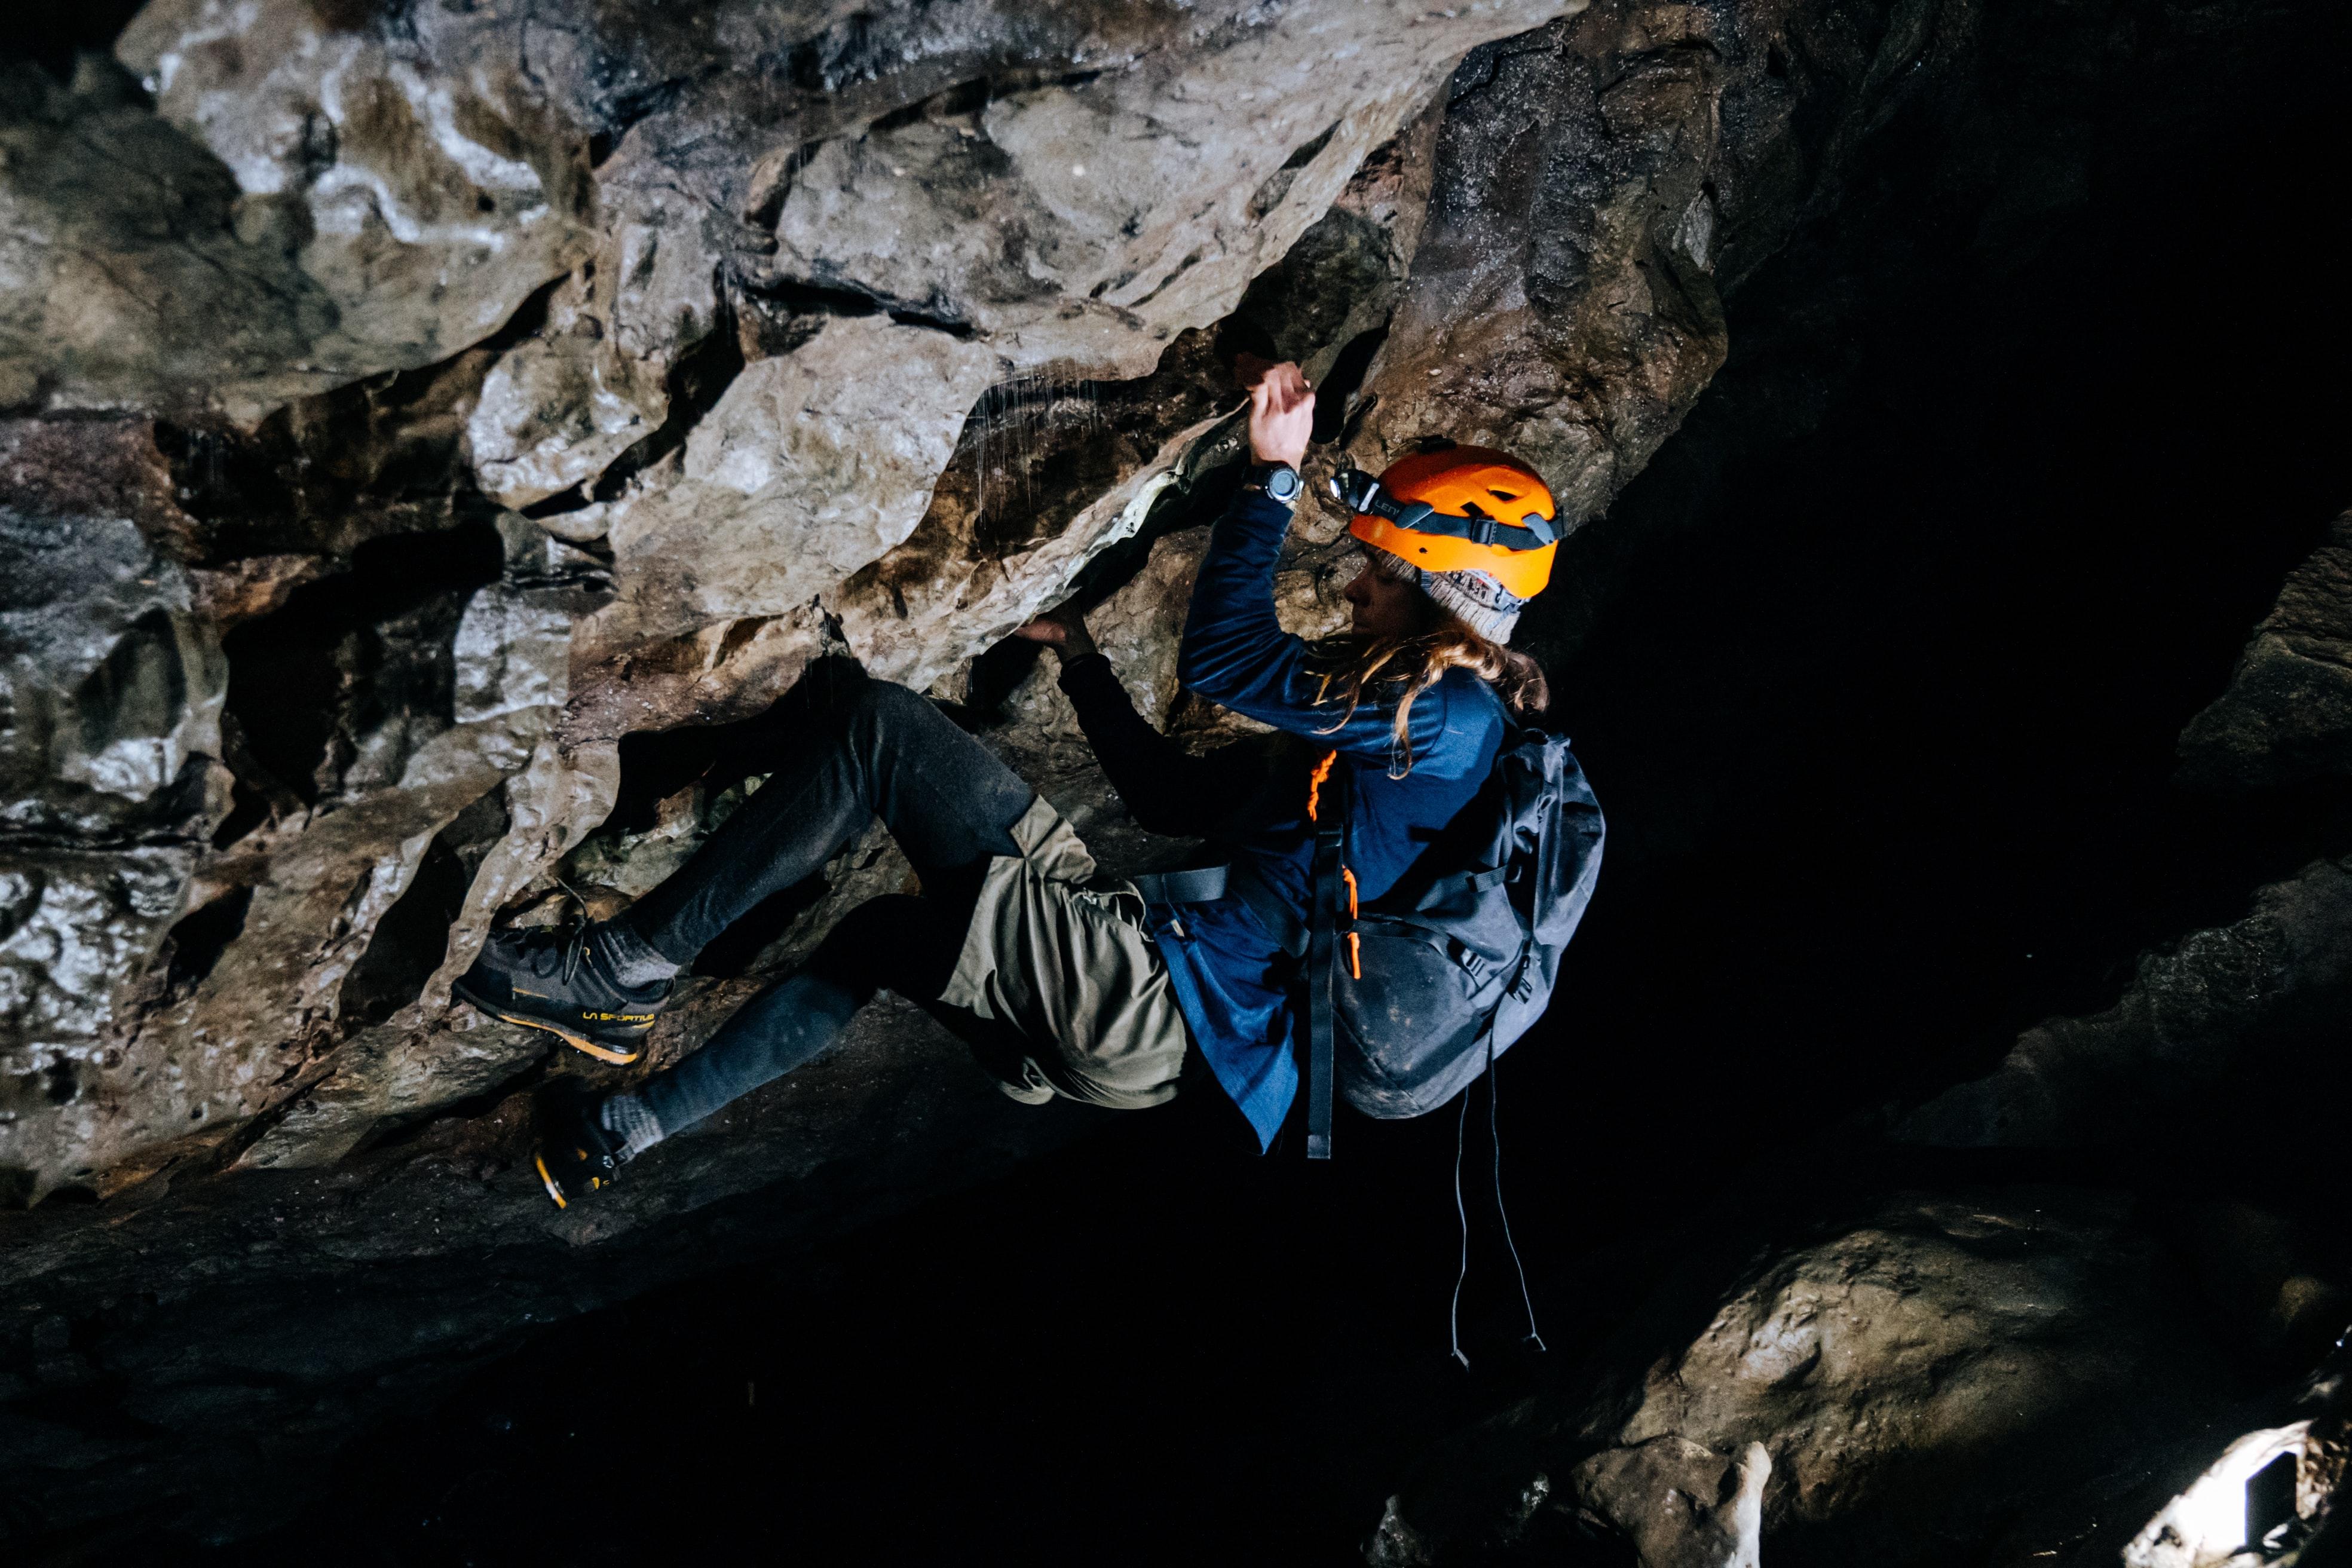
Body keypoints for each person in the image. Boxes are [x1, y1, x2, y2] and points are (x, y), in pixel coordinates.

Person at [452, 361, 1573, 1206]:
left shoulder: (1446, 717)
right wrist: (1080, 658)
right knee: (884, 941)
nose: (1361, 582)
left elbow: (1224, 661)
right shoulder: (1400, 749)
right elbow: (1172, 806)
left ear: (1444, 580)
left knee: (884, 731)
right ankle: (615, 1139)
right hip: (1152, 1037)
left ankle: (615, 975)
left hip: (1148, 1000)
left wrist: (1274, 477)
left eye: (1386, 565)